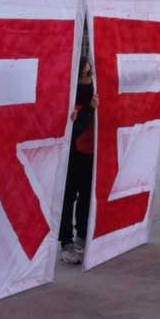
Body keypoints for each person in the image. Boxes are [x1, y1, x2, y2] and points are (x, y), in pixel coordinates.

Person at [58, 59, 98, 264]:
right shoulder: (69, 100)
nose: (89, 79)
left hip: (90, 154)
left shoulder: (94, 97)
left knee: (87, 195)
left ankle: (82, 233)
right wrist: (88, 111)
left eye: (91, 74)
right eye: (85, 75)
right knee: (68, 198)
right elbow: (71, 132)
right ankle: (66, 242)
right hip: (72, 156)